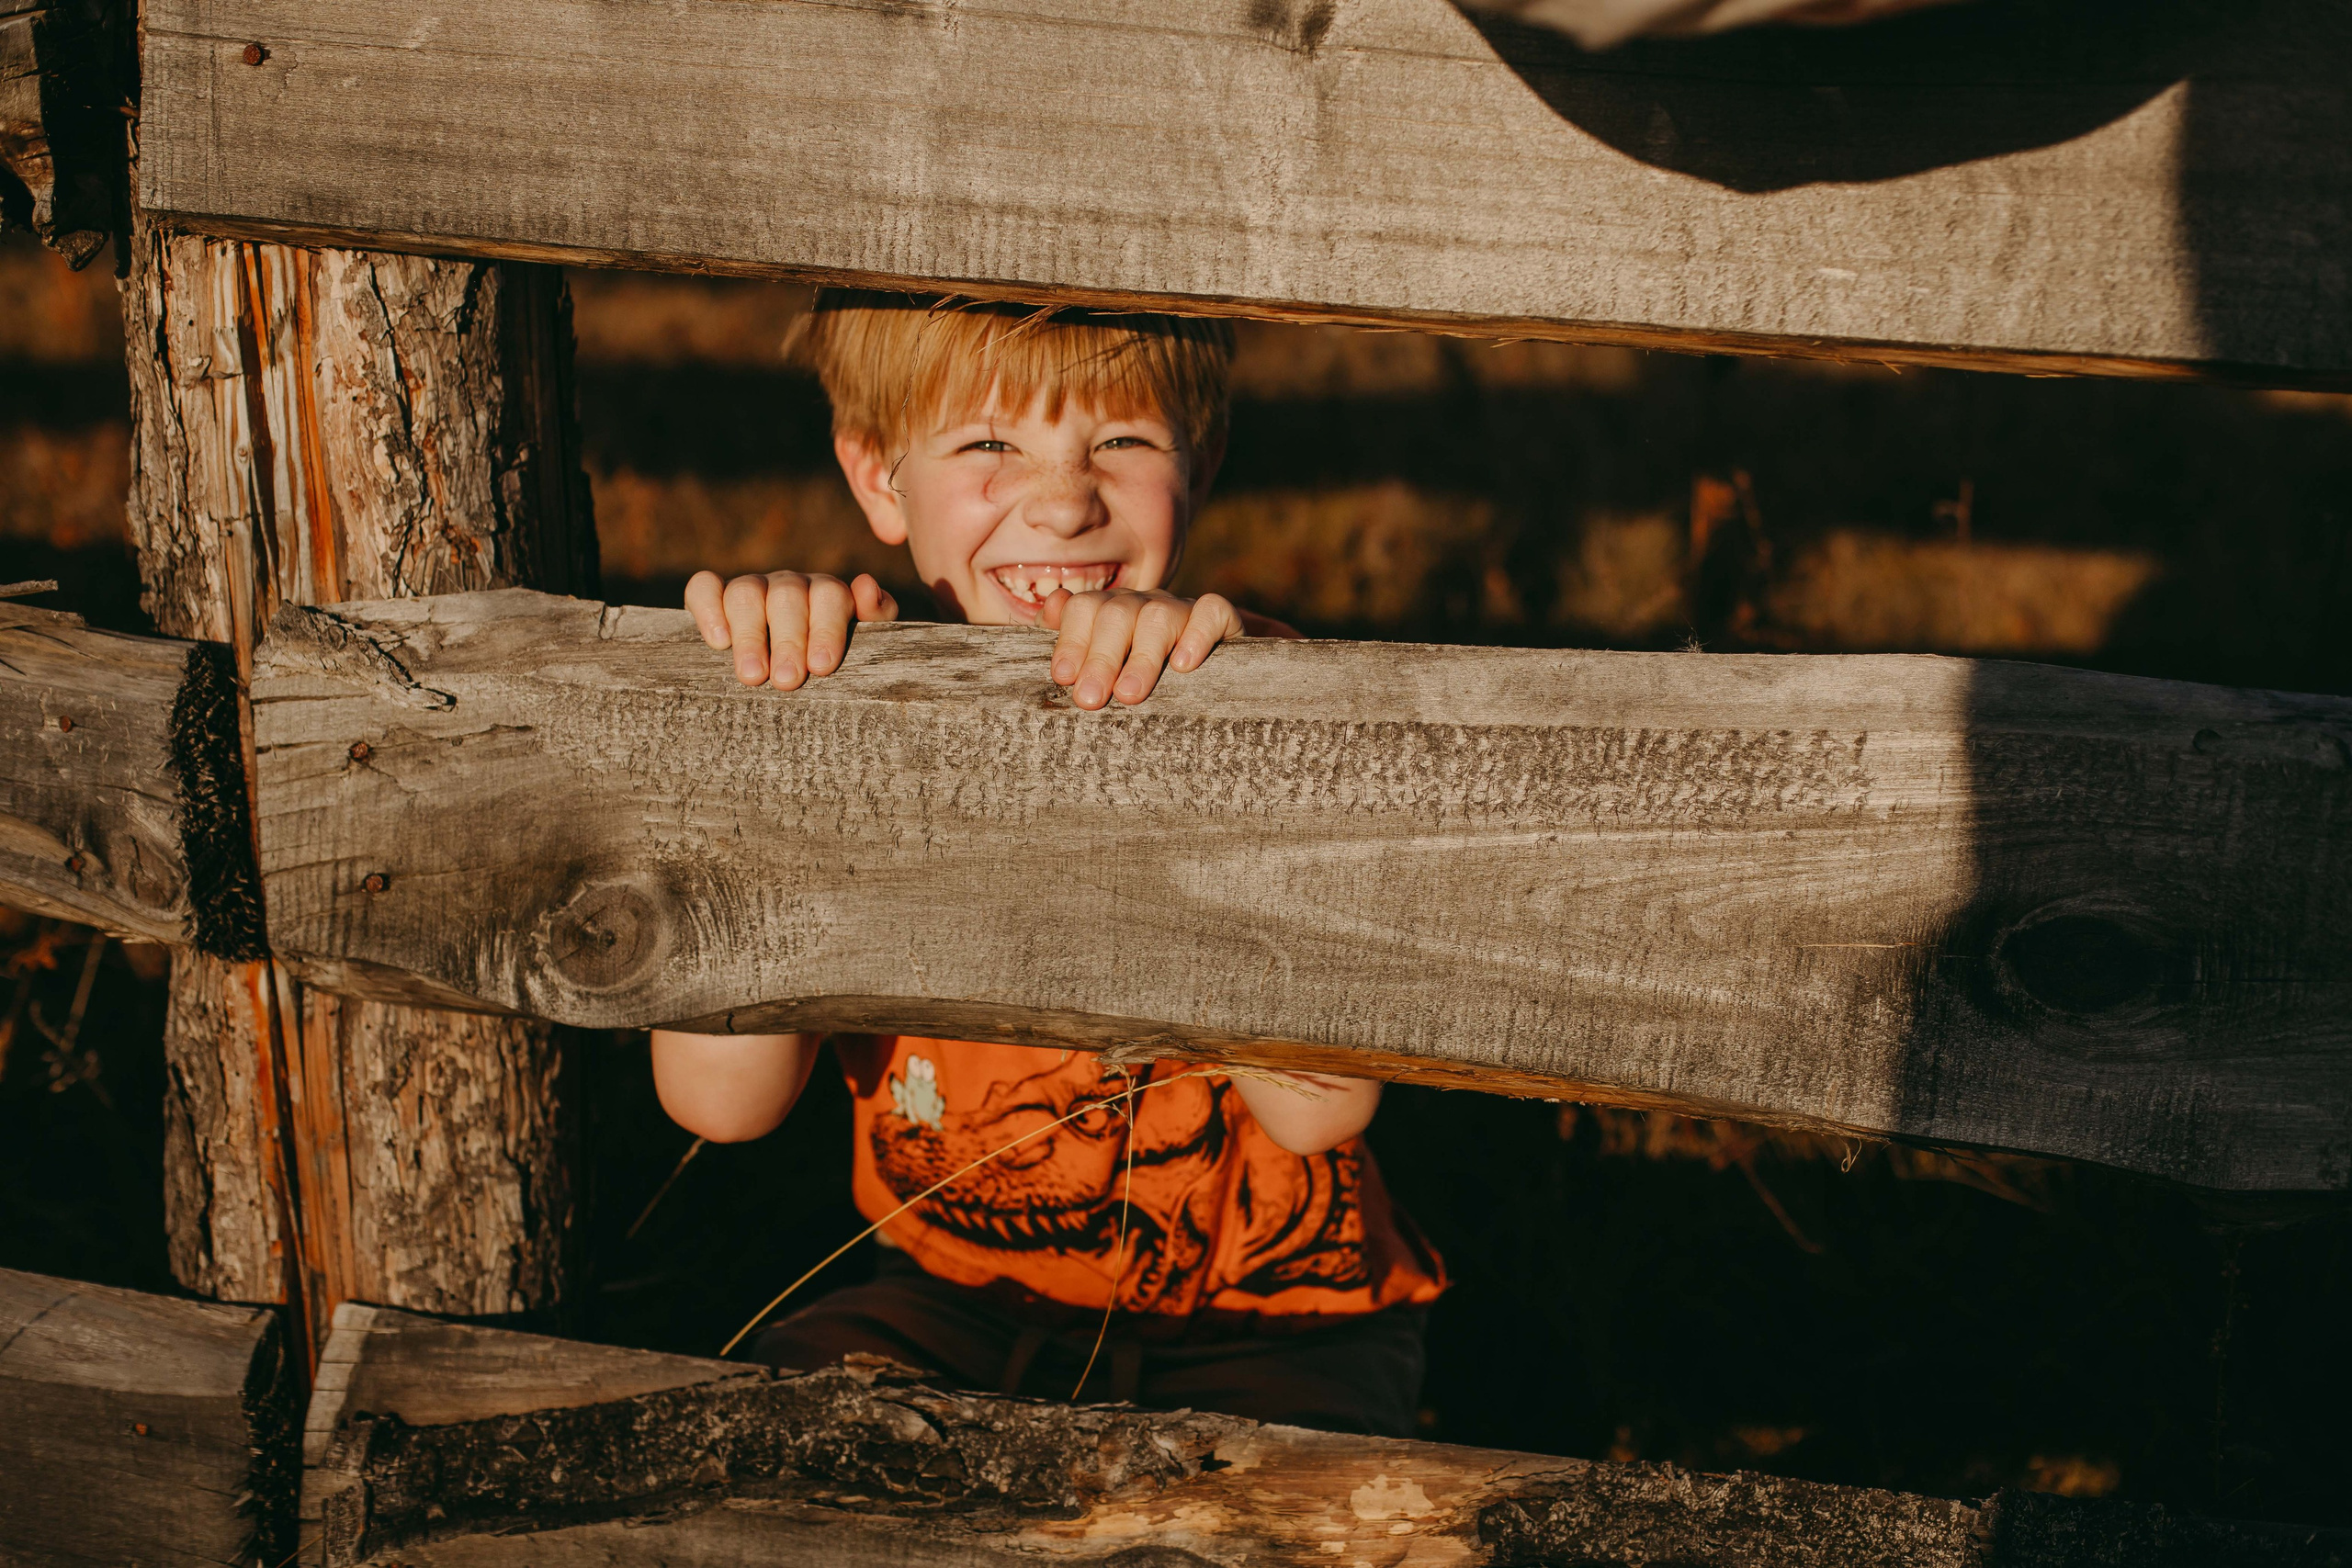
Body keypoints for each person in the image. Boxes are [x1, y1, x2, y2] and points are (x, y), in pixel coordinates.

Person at [650, 291, 1444, 1436]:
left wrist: (1205, 750)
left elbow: (1320, 1115)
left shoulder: (1258, 684)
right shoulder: (848, 700)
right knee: (776, 1452)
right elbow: (721, 1105)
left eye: (1121, 443)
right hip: (943, 1306)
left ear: (1202, 462)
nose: (1064, 503)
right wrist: (775, 749)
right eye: (987, 445)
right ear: (880, 479)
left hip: (1278, 1326)